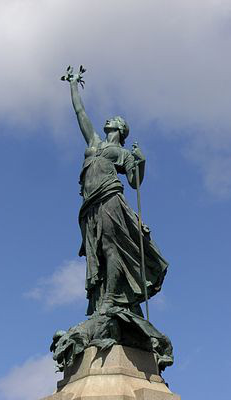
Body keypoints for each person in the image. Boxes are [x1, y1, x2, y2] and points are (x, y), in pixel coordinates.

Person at [62, 67, 168, 317]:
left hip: (110, 198)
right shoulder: (94, 143)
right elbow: (80, 112)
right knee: (97, 253)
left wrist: (141, 162)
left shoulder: (124, 154)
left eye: (114, 120)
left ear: (121, 129)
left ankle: (111, 299)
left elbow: (135, 182)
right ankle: (103, 299)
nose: (109, 120)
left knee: (111, 247)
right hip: (89, 206)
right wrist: (73, 85)